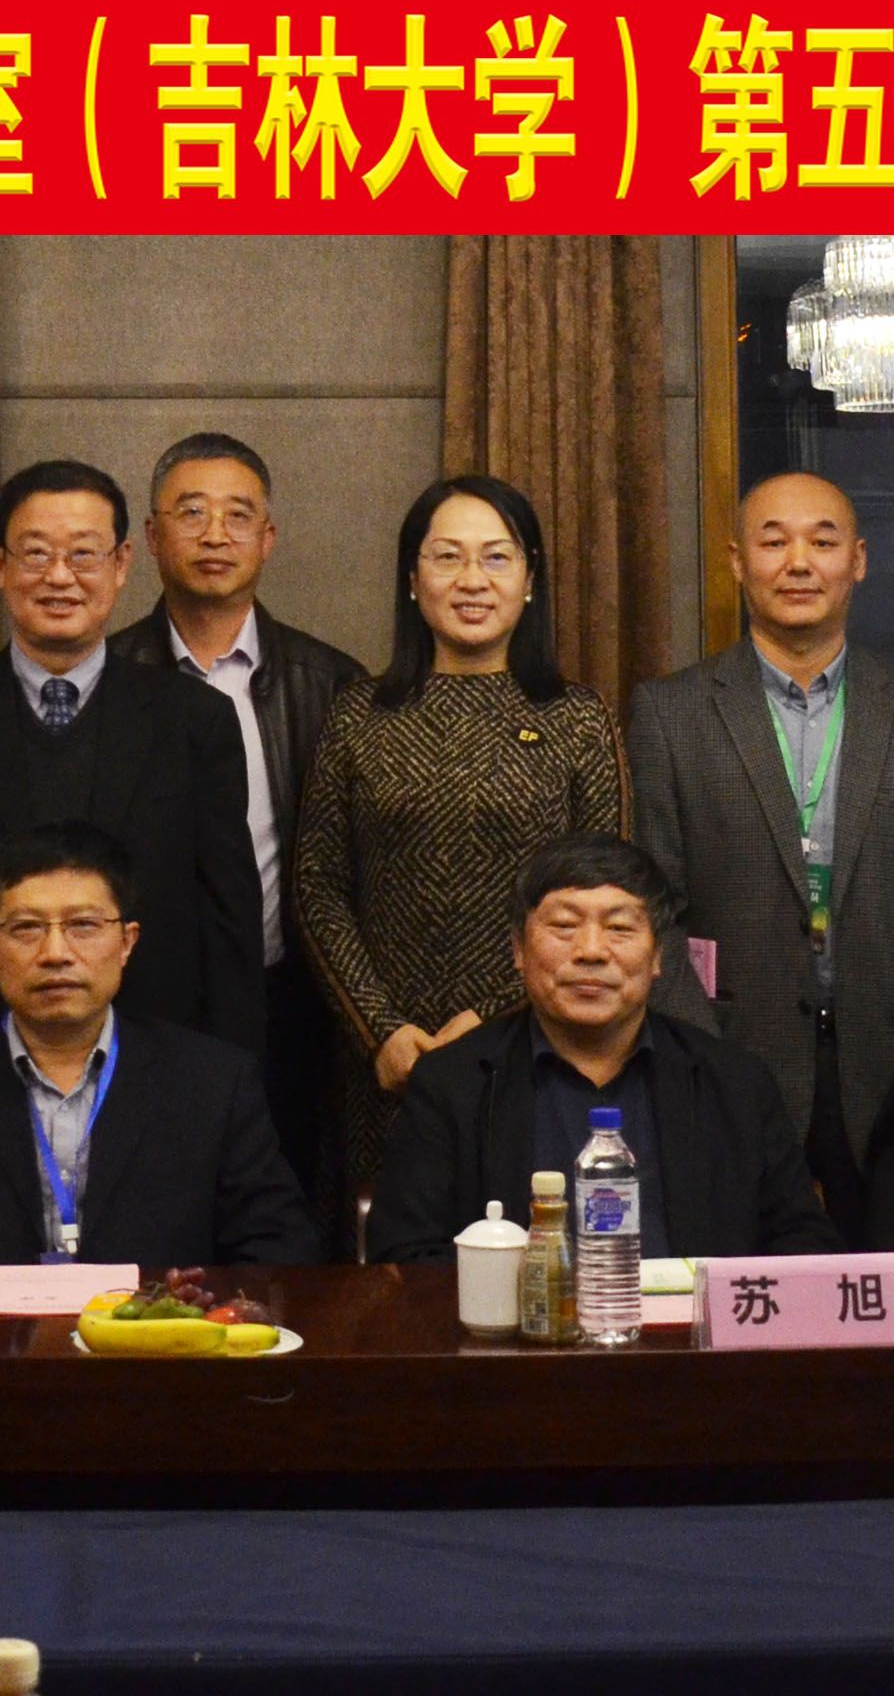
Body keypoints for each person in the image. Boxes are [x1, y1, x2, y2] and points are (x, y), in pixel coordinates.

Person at [627, 472, 894, 1245]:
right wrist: (698, 1045)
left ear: (857, 560)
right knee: (738, 1286)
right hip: (730, 1053)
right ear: (736, 562)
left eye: (822, 542)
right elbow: (653, 903)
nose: (798, 562)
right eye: (773, 541)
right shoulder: (670, 712)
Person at [291, 474, 623, 1228]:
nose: (472, 580)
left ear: (529, 580)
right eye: (447, 557)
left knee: (538, 1248)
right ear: (413, 580)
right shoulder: (358, 715)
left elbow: (604, 897)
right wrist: (382, 1028)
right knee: (392, 1259)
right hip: (387, 1065)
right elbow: (317, 886)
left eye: (496, 558)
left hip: (537, 1047)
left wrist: (493, 1022)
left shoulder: (576, 718)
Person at [0, 458, 261, 1072]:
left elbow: (228, 928)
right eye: (36, 554)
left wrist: (233, 1085)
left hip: (155, 1067)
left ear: (121, 564)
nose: (59, 577)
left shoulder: (193, 720)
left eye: (82, 555)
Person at [0, 828, 318, 1269]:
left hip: (156, 1335)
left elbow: (277, 1251)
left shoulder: (212, 1084)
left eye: (83, 925)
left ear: (126, 942)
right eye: (26, 928)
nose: (55, 953)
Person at [103, 431, 367, 1216]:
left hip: (293, 1005)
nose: (214, 534)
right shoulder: (107, 679)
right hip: (142, 1002)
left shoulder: (331, 683)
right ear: (151, 537)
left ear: (268, 537)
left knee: (286, 1216)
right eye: (191, 513)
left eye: (237, 515)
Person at [367, 835, 842, 1263]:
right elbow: (405, 1255)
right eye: (564, 926)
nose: (591, 951)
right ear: (518, 950)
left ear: (657, 956)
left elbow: (803, 1244)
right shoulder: (453, 1084)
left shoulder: (735, 1084)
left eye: (619, 928)